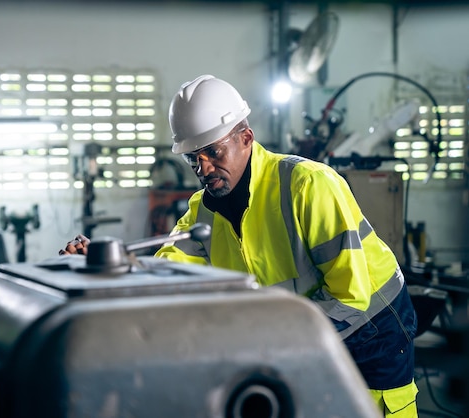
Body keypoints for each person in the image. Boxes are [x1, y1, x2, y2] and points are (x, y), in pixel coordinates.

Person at [61, 74, 419, 417]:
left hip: (373, 332)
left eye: (213, 152)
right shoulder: (204, 210)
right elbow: (164, 275)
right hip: (300, 328)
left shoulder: (308, 185)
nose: (203, 168)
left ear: (246, 137)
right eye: (193, 158)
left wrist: (264, 342)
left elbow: (349, 296)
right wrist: (104, 264)